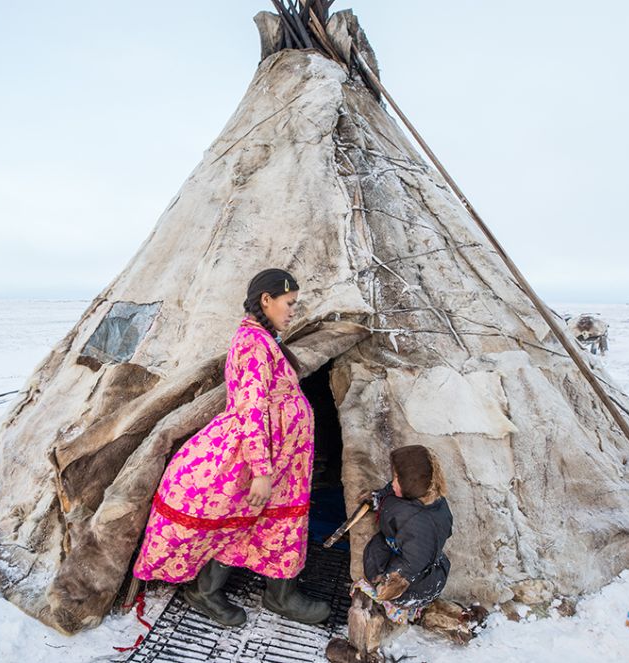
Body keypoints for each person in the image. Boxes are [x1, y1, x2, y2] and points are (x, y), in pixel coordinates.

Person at [132, 268, 330, 627]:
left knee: (271, 522)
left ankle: (279, 595)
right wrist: (261, 470)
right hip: (259, 454)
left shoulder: (263, 339)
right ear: (266, 300)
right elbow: (251, 410)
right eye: (289, 303)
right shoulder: (253, 344)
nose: (293, 311)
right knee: (234, 520)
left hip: (282, 456)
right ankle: (205, 591)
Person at [326, 445, 453, 663]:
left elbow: (414, 562)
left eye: (397, 479)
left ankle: (362, 648)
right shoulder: (415, 496)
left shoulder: (421, 524)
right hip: (401, 554)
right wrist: (379, 497)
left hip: (412, 583)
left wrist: (393, 580)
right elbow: (391, 494)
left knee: (364, 592)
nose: (393, 482)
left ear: (411, 484)